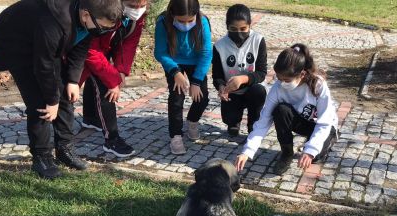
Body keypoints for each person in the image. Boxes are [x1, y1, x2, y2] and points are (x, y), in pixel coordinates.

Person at [0, 0, 123, 179]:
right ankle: (42, 157)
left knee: (66, 96)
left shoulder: (89, 18)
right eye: (101, 27)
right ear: (86, 15)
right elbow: (43, 66)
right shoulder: (54, 22)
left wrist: (72, 80)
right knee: (40, 104)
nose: (102, 32)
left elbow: (81, 47)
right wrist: (51, 101)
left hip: (45, 47)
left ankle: (64, 150)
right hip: (18, 42)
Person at [235, 43, 339, 175]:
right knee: (280, 110)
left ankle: (327, 139)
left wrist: (310, 150)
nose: (282, 83)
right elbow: (263, 121)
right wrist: (247, 152)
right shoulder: (277, 89)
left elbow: (324, 122)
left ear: (302, 74)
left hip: (324, 124)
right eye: (279, 78)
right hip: (301, 121)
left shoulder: (318, 85)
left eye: (287, 80)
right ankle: (287, 152)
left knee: (315, 157)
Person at [79, 0, 148, 158]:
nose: (137, 10)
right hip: (86, 51)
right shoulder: (102, 10)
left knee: (98, 79)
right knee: (105, 87)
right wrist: (113, 80)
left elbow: (130, 42)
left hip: (105, 49)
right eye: (133, 6)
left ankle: (90, 118)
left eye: (141, 6)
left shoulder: (137, 16)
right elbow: (91, 51)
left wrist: (121, 70)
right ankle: (112, 139)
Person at [154, 0, 212, 155]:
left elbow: (207, 53)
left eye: (190, 21)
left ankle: (193, 121)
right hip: (174, 62)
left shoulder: (203, 21)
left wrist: (197, 81)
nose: (186, 25)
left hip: (195, 62)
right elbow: (160, 52)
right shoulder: (163, 22)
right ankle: (176, 135)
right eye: (181, 21)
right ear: (172, 14)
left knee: (202, 97)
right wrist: (175, 72)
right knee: (176, 98)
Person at [212, 4, 267, 137]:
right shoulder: (220, 46)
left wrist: (243, 79)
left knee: (259, 91)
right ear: (227, 27)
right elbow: (217, 76)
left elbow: (262, 72)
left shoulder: (258, 40)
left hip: (252, 88)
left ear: (250, 25)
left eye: (243, 29)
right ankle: (234, 122)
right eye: (233, 29)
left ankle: (253, 124)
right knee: (229, 118)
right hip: (232, 92)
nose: (239, 33)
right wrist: (221, 86)